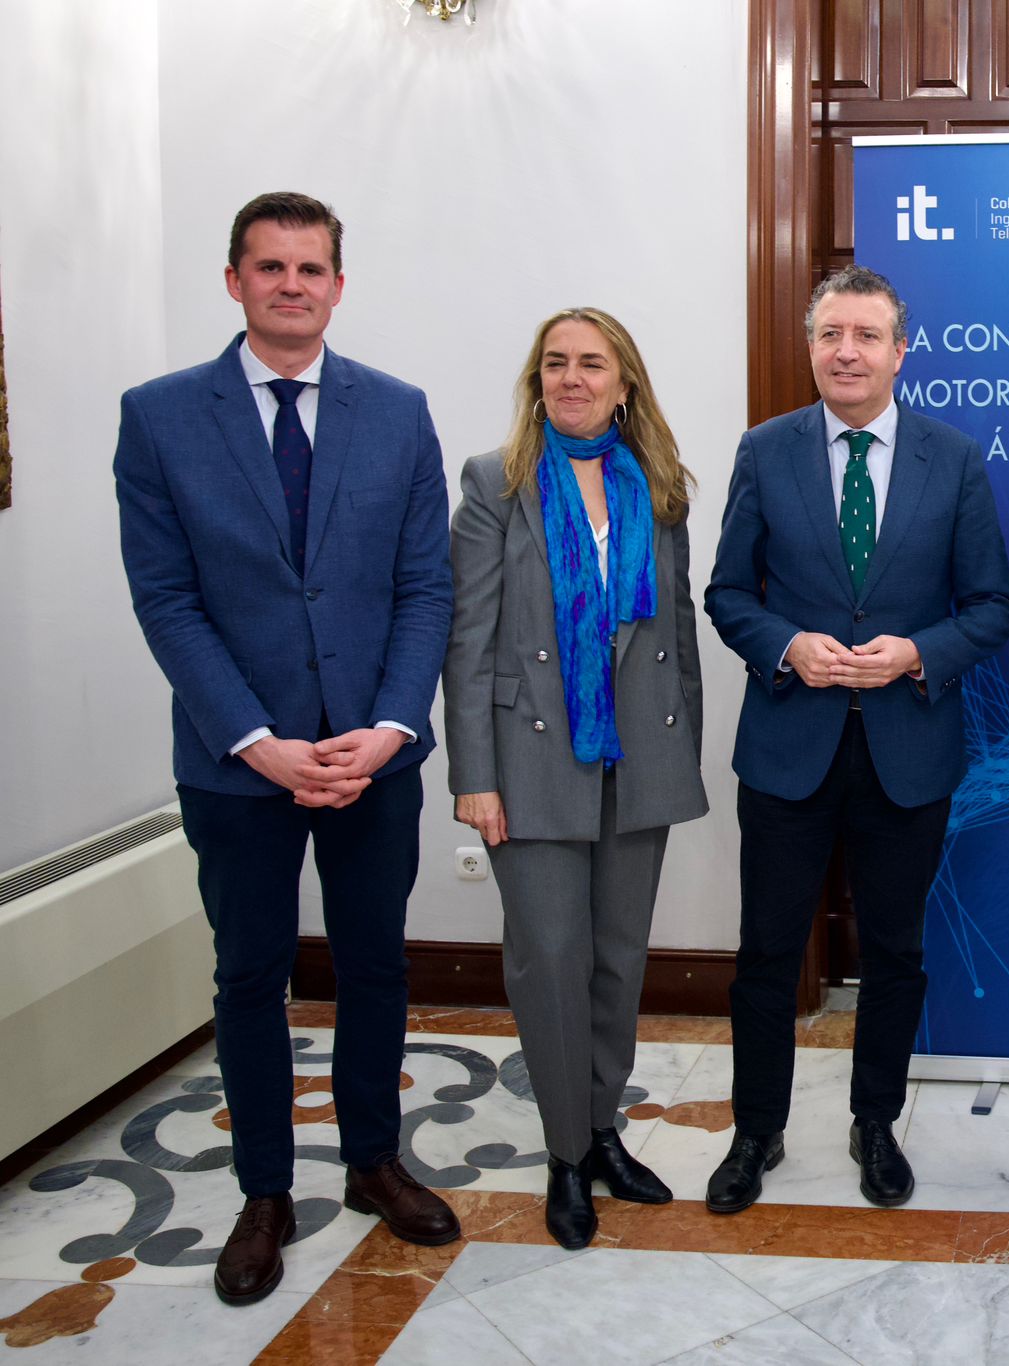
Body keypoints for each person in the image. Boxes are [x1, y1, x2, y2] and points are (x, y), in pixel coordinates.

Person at [113, 192, 458, 1305]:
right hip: (235, 767)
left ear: (338, 286)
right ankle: (265, 1190)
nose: (292, 285)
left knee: (373, 968)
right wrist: (258, 741)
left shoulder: (398, 413)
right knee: (250, 977)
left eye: (311, 268)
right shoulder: (161, 417)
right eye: (270, 267)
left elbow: (423, 587)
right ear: (235, 281)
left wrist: (395, 726)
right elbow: (167, 602)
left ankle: (372, 1162)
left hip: (374, 757)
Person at [702, 264, 1009, 1213]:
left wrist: (917, 653)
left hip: (907, 750)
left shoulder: (951, 457)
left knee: (895, 953)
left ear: (899, 351)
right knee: (766, 955)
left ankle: (874, 1122)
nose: (847, 352)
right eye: (831, 335)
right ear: (811, 348)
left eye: (867, 336)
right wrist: (786, 644)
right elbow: (725, 594)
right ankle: (755, 1131)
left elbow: (995, 604)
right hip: (787, 750)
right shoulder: (766, 451)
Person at [443, 307, 708, 1249]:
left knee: (616, 959)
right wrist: (474, 774)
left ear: (623, 382)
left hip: (638, 758)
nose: (571, 378)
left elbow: (674, 632)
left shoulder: (660, 486)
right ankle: (564, 1154)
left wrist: (682, 753)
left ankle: (603, 1131)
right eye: (554, 364)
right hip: (530, 761)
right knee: (548, 962)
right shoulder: (495, 483)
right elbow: (466, 641)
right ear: (537, 381)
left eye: (591, 364)